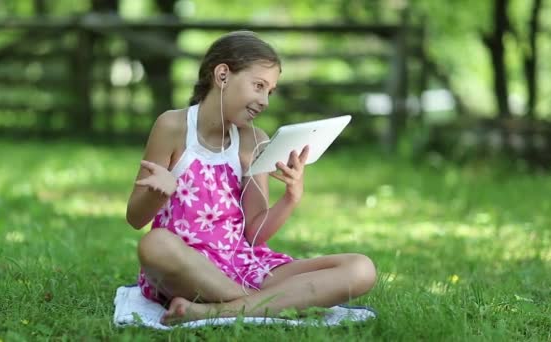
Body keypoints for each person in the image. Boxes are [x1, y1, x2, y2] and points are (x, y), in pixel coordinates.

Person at [126, 30, 376, 325]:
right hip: (188, 269)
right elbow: (135, 218)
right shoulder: (172, 126)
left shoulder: (254, 141)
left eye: (269, 91)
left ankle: (224, 309)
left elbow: (255, 233)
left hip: (244, 264)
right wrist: (159, 194)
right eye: (258, 86)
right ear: (222, 75)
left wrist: (292, 196)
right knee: (154, 244)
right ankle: (270, 304)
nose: (265, 100)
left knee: (361, 268)